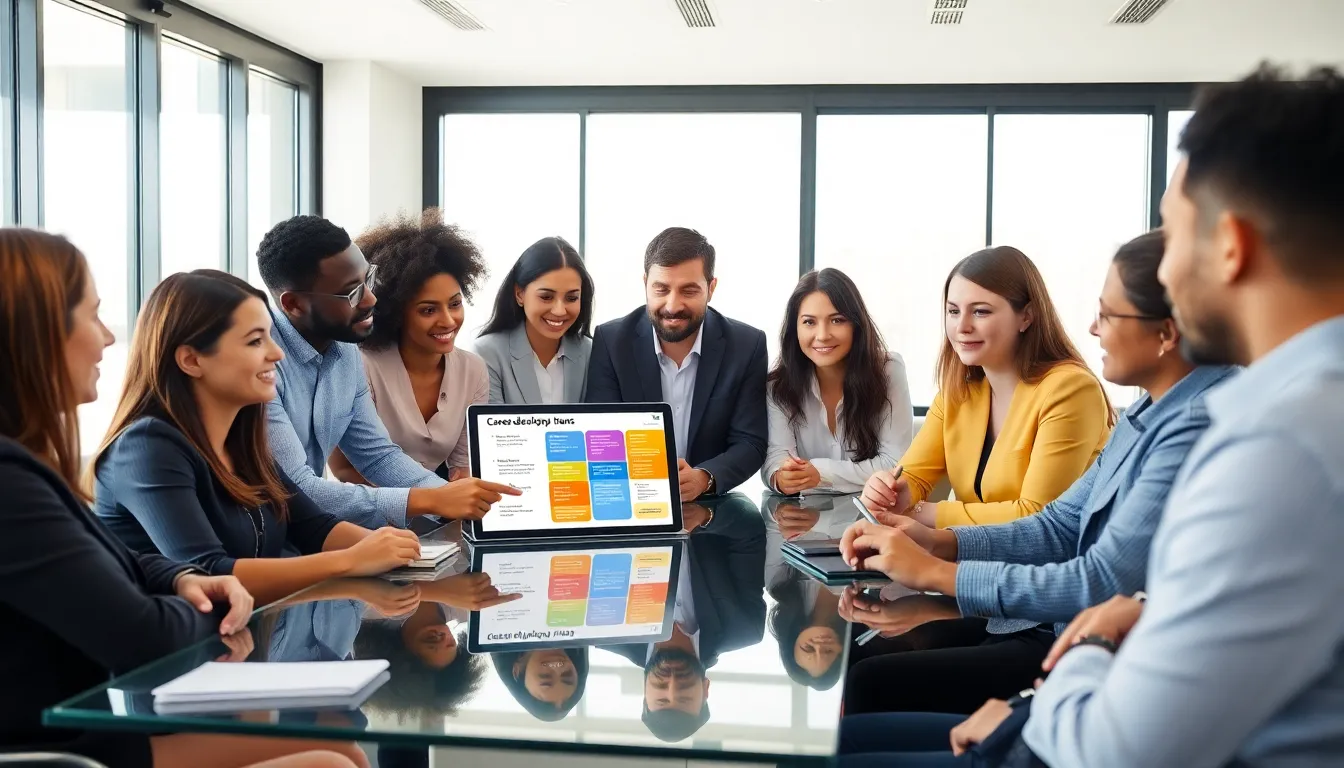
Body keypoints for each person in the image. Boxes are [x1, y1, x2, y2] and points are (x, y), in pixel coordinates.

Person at [841, 63, 1344, 768]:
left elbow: (1115, 745)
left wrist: (1088, 646)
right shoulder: (1285, 410)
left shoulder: (1274, 447)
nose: (1164, 272)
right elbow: (1064, 530)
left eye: (1174, 235)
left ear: (1230, 246)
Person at [0, 229, 366, 768]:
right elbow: (142, 636)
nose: (106, 337)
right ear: (33, 333)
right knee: (328, 762)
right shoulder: (19, 481)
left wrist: (177, 579)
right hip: (58, 752)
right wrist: (223, 600)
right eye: (92, 314)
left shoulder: (23, 467)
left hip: (85, 739)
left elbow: (122, 559)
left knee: (339, 747)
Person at [836, 230, 1237, 716]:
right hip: (1033, 612)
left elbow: (1092, 569)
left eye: (1108, 315)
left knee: (871, 682)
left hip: (1058, 629)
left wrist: (935, 561)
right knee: (861, 653)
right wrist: (932, 540)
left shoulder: (1173, 418)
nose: (1092, 328)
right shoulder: (1142, 416)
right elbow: (1060, 525)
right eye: (953, 310)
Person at [91, 271, 423, 606]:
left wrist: (401, 552)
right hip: (178, 653)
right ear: (191, 360)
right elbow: (208, 574)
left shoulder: (241, 438)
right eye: (255, 341)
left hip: (241, 643)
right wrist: (352, 561)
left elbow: (315, 529)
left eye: (270, 337)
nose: (277, 355)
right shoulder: (147, 447)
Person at [254, 214, 518, 530]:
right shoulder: (258, 363)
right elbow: (295, 488)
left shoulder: (346, 352)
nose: (371, 299)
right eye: (352, 292)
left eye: (369, 279)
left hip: (306, 533)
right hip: (256, 541)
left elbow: (378, 457)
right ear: (294, 304)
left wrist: (454, 499)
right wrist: (432, 500)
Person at [860, 245, 1113, 529]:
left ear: (1026, 316)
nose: (962, 326)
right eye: (953, 311)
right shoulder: (958, 391)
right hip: (973, 557)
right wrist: (888, 492)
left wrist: (920, 513)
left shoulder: (1071, 390)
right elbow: (913, 476)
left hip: (1050, 566)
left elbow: (1037, 516)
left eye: (980, 312)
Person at [585, 227, 768, 501]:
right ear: (645, 283)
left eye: (689, 290)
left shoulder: (746, 345)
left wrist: (704, 478)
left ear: (711, 288)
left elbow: (750, 442)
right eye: (661, 289)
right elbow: (600, 434)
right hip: (634, 500)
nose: (672, 305)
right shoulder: (612, 341)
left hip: (713, 510)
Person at [327, 209, 490, 485]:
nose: (449, 320)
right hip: (367, 515)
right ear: (397, 312)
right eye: (428, 310)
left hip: (436, 512)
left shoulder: (472, 369)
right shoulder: (362, 366)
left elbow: (461, 468)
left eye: (455, 304)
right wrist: (428, 501)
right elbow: (344, 470)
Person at [602, 494, 766, 741]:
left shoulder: (604, 630)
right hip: (692, 479)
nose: (672, 683)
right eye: (686, 696)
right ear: (705, 689)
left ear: (644, 691)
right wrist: (705, 516)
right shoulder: (743, 627)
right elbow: (751, 527)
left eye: (660, 694)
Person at [762, 268, 914, 495]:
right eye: (809, 322)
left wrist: (819, 473)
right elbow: (776, 457)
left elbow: (895, 463)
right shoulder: (778, 385)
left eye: (837, 320)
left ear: (856, 324)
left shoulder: (888, 370)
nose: (822, 335)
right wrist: (781, 476)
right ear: (795, 329)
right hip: (801, 520)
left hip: (873, 517)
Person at [473, 236, 595, 404]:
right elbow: (491, 429)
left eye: (572, 298)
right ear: (519, 294)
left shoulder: (592, 353)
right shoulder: (487, 354)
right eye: (546, 297)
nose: (559, 310)